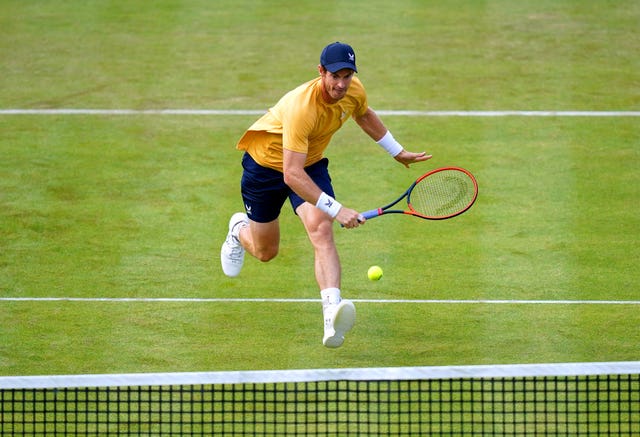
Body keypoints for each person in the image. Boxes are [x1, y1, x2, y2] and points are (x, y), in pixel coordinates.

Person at [221, 42, 431, 348]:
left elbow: (363, 114)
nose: (342, 83)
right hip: (266, 167)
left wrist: (396, 151)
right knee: (266, 252)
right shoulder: (301, 108)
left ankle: (332, 311)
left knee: (321, 229)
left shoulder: (353, 90)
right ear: (321, 72)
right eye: (335, 76)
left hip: (310, 162)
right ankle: (238, 230)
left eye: (347, 75)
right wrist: (338, 209)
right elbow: (291, 176)